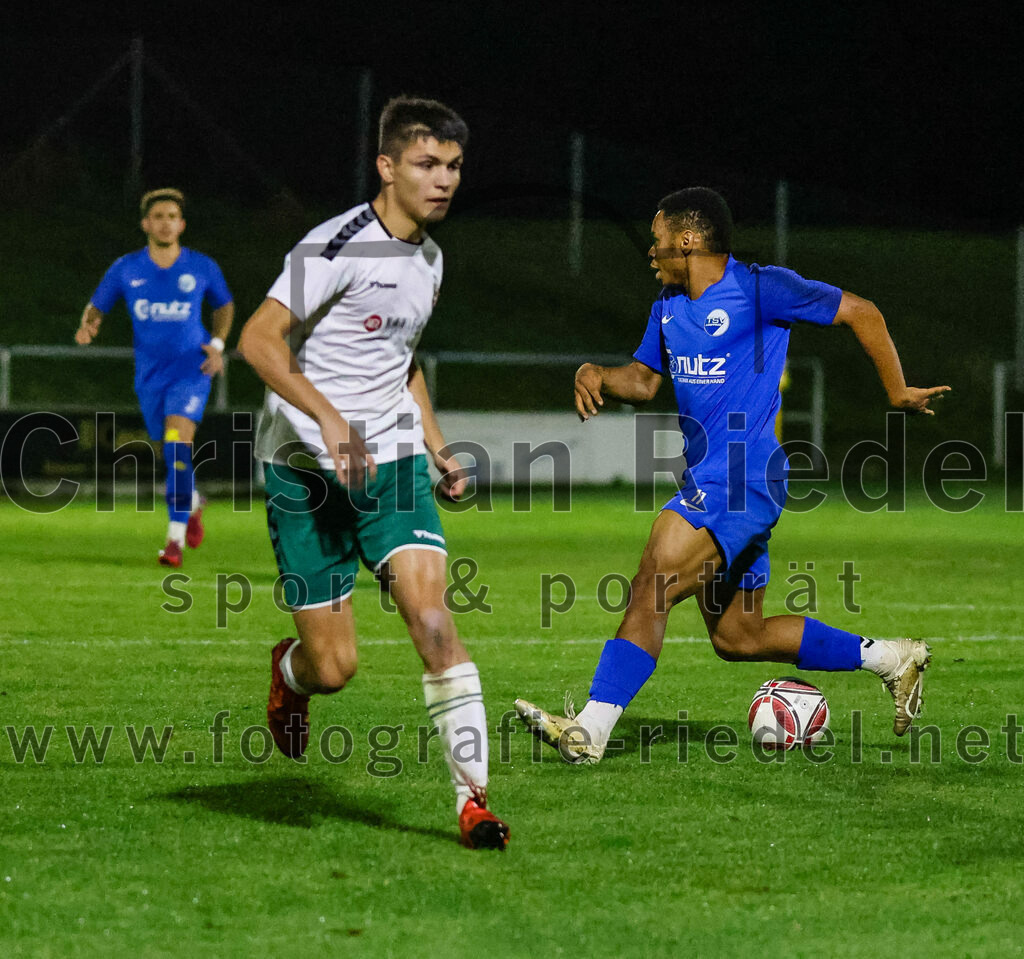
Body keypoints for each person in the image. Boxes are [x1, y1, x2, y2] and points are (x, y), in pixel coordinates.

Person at [515, 187, 950, 764]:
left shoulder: (761, 287)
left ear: (688, 241)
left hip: (743, 478)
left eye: (658, 240)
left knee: (655, 577)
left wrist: (896, 391)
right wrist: (595, 372)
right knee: (737, 638)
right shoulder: (667, 308)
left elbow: (860, 311)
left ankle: (591, 731)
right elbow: (644, 384)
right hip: (717, 478)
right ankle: (892, 658)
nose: (651, 251)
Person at [238, 97, 509, 850]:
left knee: (432, 620)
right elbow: (257, 341)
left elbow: (401, 365)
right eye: (427, 164)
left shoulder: (430, 258)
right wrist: (327, 419)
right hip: (302, 471)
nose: (444, 180)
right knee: (335, 667)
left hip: (388, 463)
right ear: (387, 166)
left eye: (454, 166)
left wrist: (435, 445)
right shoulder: (335, 245)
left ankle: (473, 800)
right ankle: (290, 674)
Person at [75, 188, 234, 567]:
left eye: (172, 216)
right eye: (158, 216)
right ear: (146, 223)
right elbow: (96, 307)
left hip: (190, 371)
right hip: (150, 376)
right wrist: (89, 325)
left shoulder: (201, 267)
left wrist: (217, 344)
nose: (166, 222)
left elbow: (224, 305)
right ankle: (192, 502)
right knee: (170, 452)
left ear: (182, 224)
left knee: (178, 448)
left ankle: (173, 541)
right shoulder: (126, 269)